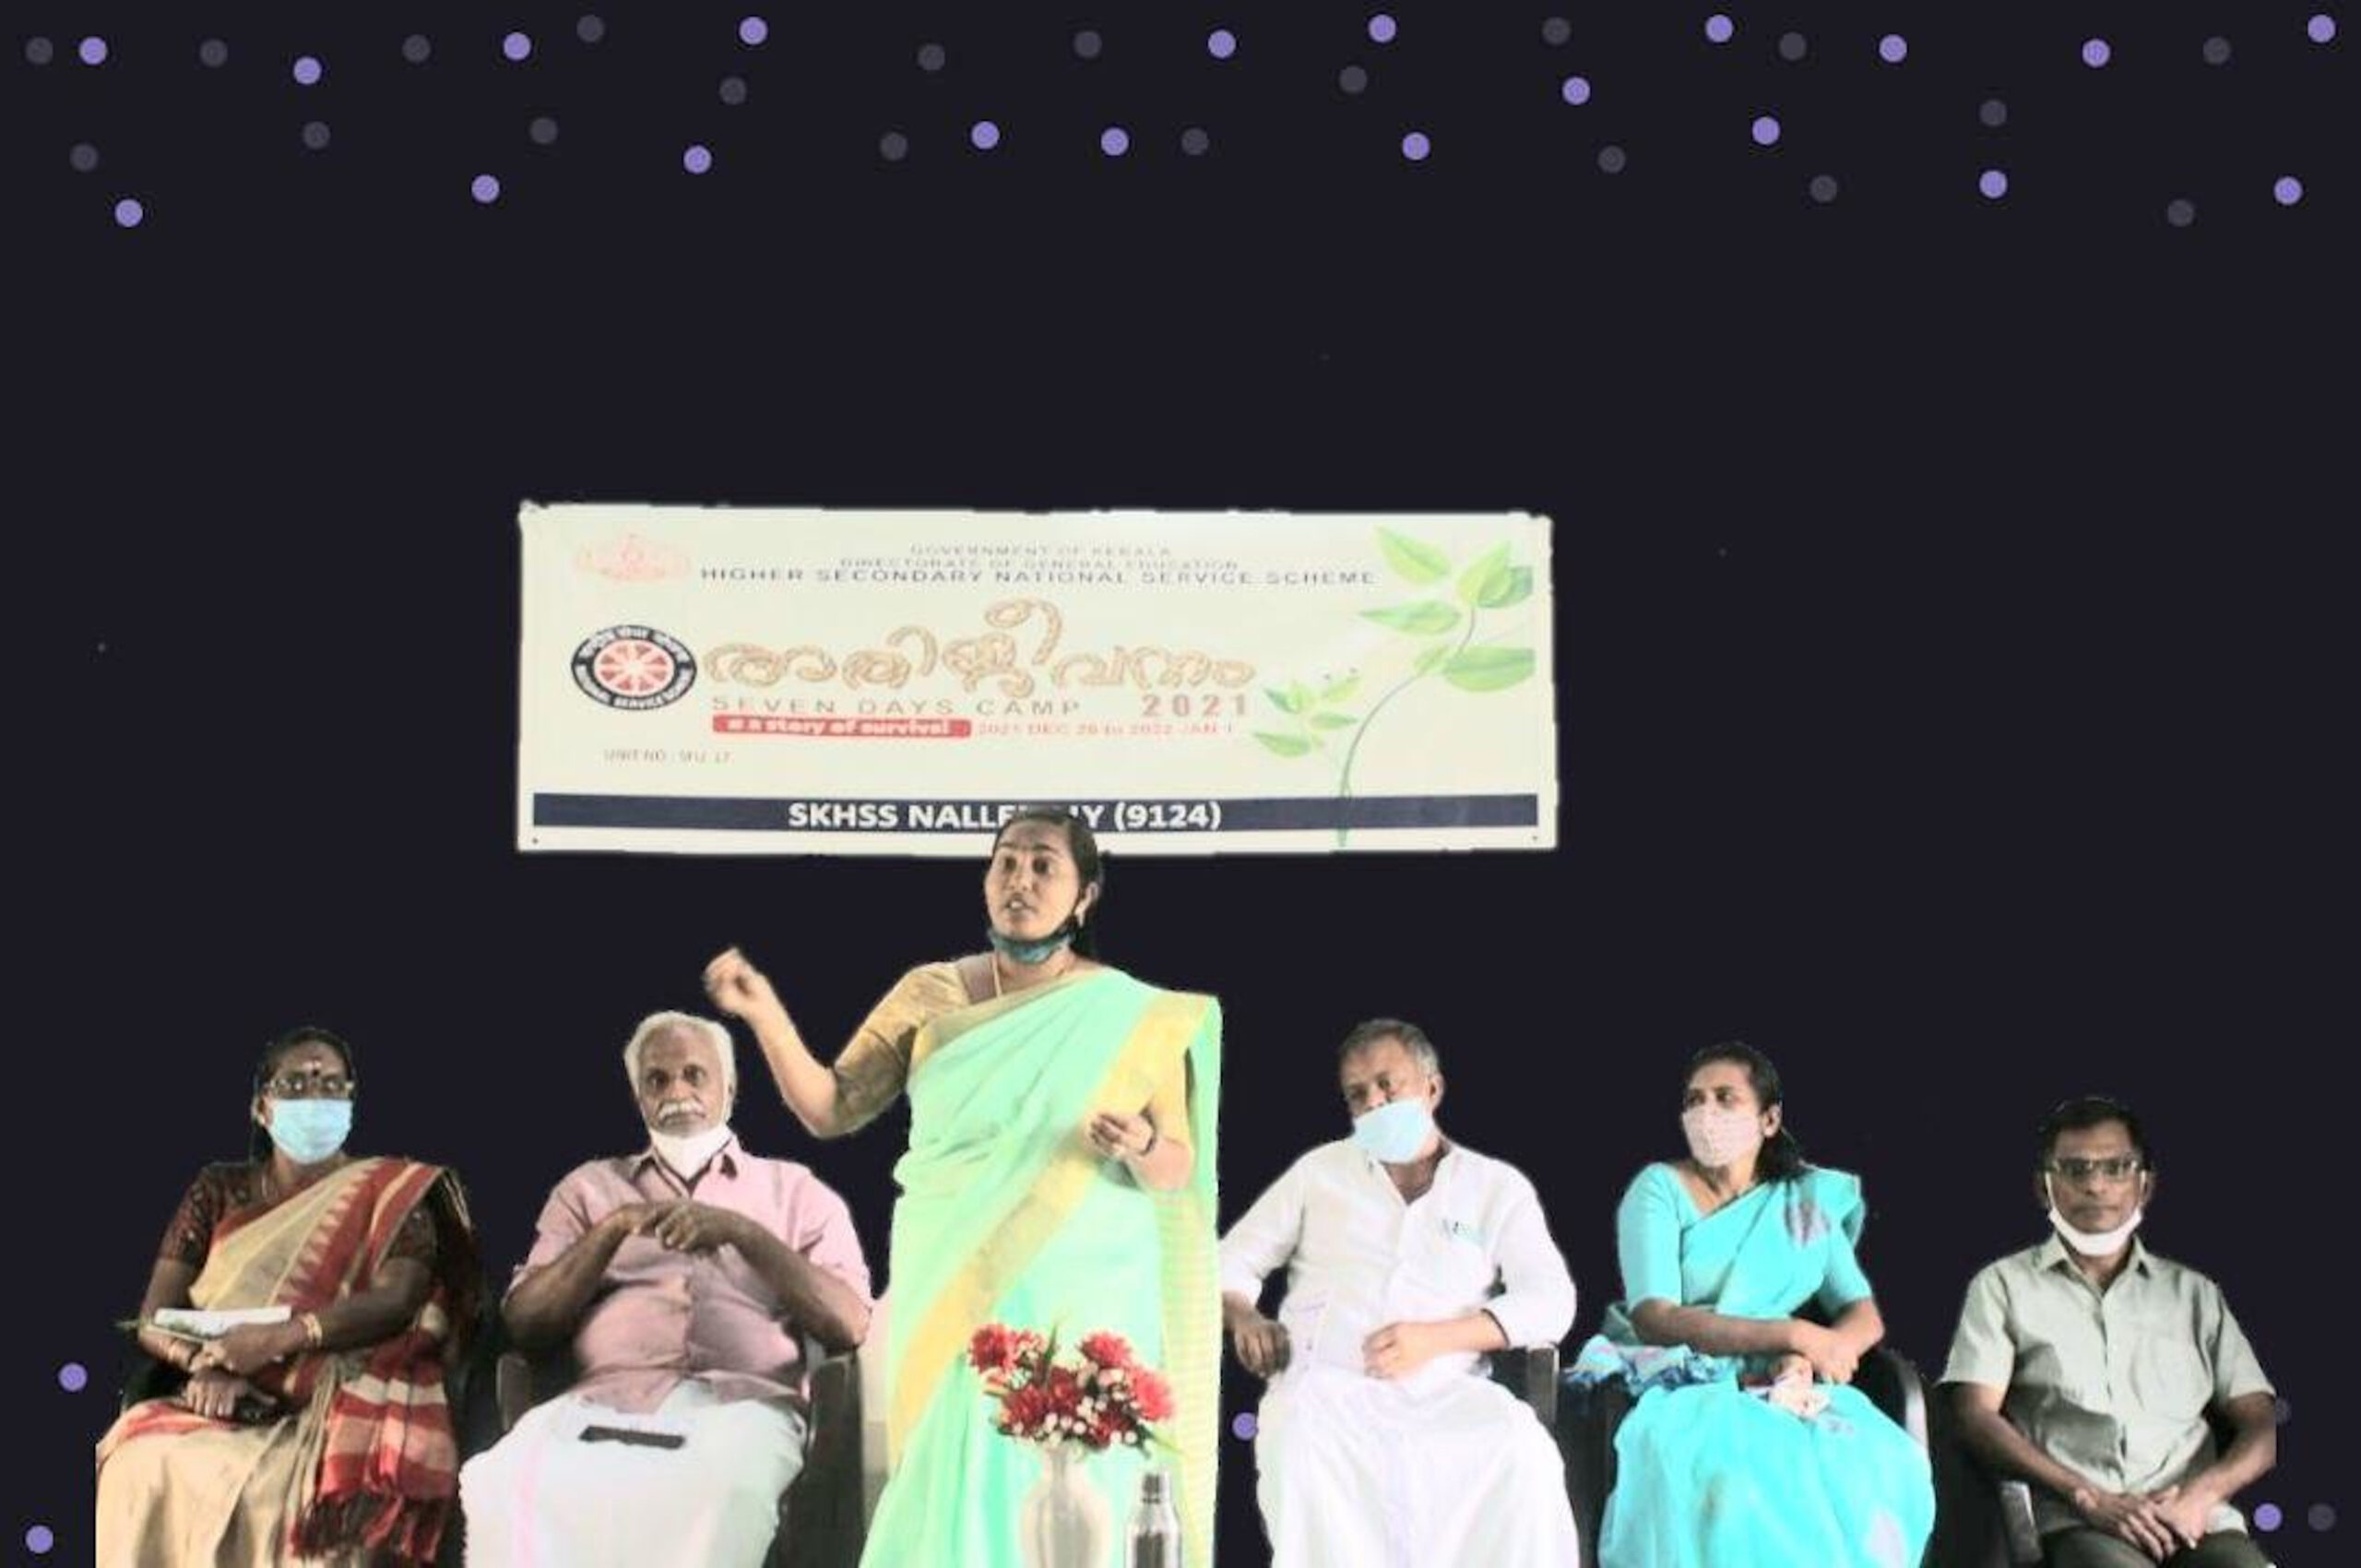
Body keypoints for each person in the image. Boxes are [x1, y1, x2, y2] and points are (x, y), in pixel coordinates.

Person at [702, 806, 1223, 1568]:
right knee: (954, 1456)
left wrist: (1143, 1146)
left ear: (1085, 896)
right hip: (953, 1269)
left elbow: (1176, 1167)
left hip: (1085, 1285)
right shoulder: (932, 993)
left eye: (1043, 865)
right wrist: (764, 1013)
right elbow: (831, 1107)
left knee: (1080, 1467)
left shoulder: (1135, 1014)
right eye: (1006, 861)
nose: (1020, 880)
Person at [458, 1010, 872, 1566]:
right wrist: (612, 1230)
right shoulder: (588, 1190)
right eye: (658, 1080)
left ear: (729, 1089)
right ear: (639, 1097)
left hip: (742, 1408)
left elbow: (849, 1322)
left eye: (694, 1075)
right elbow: (525, 1324)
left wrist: (744, 1233)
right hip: (602, 1402)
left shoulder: (796, 1191)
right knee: (498, 1479)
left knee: (725, 1492)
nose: (677, 1092)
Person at [97, 1026, 481, 1566]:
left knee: (313, 1501)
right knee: (138, 1459)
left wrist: (283, 1337)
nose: (315, 1098)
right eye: (295, 1084)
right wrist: (206, 1367)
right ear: (261, 1108)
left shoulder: (391, 1193)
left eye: (331, 1085)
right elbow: (155, 1318)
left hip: (335, 1394)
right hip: (224, 1392)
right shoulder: (219, 1190)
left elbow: (398, 1300)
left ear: (351, 1102)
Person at [1219, 1018, 1582, 1566]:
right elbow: (1230, 1262)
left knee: (1524, 1452)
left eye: (1388, 1085)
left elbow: (1551, 1300)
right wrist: (1245, 1316)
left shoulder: (1494, 1186)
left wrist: (1436, 1339)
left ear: (1432, 1088)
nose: (1373, 1102)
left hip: (1447, 1394)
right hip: (1328, 1391)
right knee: (1296, 1444)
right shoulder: (1319, 1173)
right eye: (1357, 1094)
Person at [1566, 1040, 1934, 1568]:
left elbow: (1862, 1313)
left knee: (1879, 1466)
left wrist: (1816, 1355)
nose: (1706, 1113)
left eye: (1725, 1098)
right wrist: (1793, 1335)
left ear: (1769, 1119)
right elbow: (1655, 1316)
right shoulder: (1659, 1189)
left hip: (1785, 1383)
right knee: (1730, 1482)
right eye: (1694, 1100)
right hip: (1685, 1383)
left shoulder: (1800, 1204)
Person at [1941, 1096, 2277, 1568]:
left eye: (2117, 1168)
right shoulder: (2002, 1287)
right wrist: (2086, 1496)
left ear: (2145, 1185)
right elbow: (1974, 1415)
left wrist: (2201, 1495)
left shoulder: (2194, 1295)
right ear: (2043, 1187)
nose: (2096, 1185)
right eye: (2075, 1169)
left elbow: (2260, 1425)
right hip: (2080, 1522)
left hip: (2194, 1519)